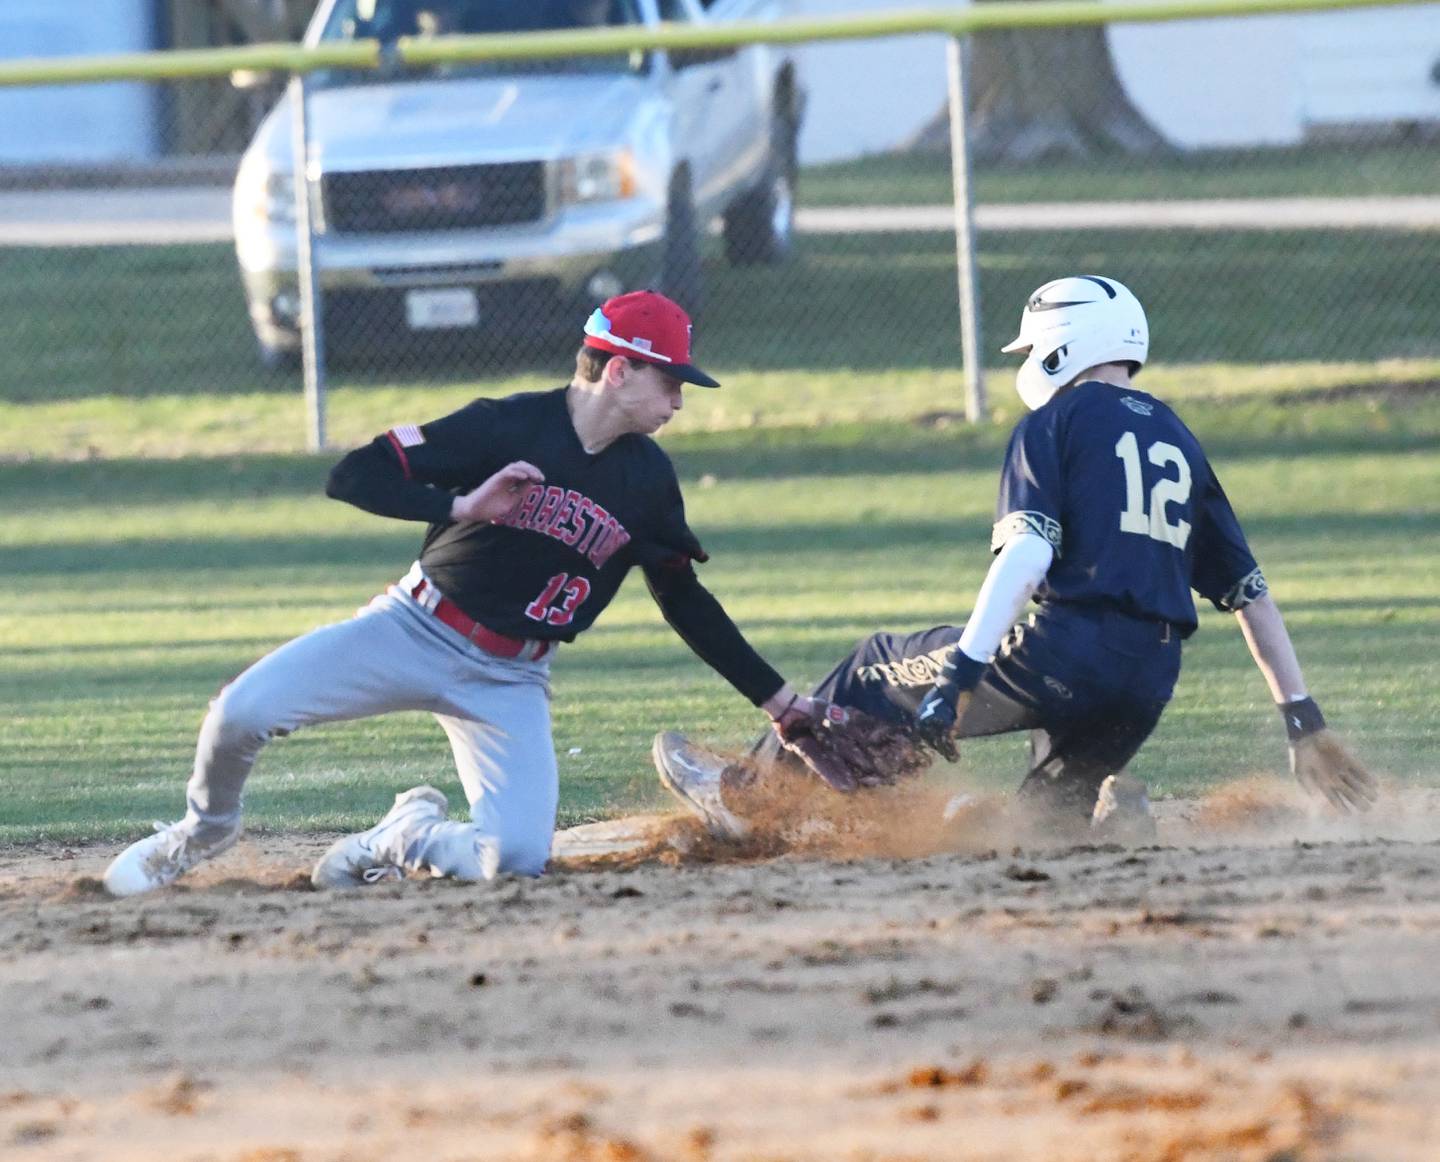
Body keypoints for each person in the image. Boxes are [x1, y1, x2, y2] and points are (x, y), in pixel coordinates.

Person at [104, 291, 814, 896]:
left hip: (510, 678)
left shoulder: (649, 481)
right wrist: (458, 507)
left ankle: (402, 835)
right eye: (670, 381)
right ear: (620, 370)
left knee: (514, 861)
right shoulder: (504, 425)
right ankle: (199, 834)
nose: (679, 401)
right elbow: (353, 474)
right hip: (410, 630)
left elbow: (683, 598)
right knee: (239, 711)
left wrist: (776, 699)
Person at [654, 275, 1376, 841]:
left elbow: (1027, 552)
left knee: (871, 665)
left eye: (1033, 350)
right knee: (1038, 834)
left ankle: (744, 799)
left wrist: (961, 673)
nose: (1030, 365)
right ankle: (1110, 830)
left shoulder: (1055, 420)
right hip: (1151, 680)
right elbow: (1249, 594)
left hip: (1069, 650)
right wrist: (1302, 721)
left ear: (1062, 346)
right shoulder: (1177, 437)